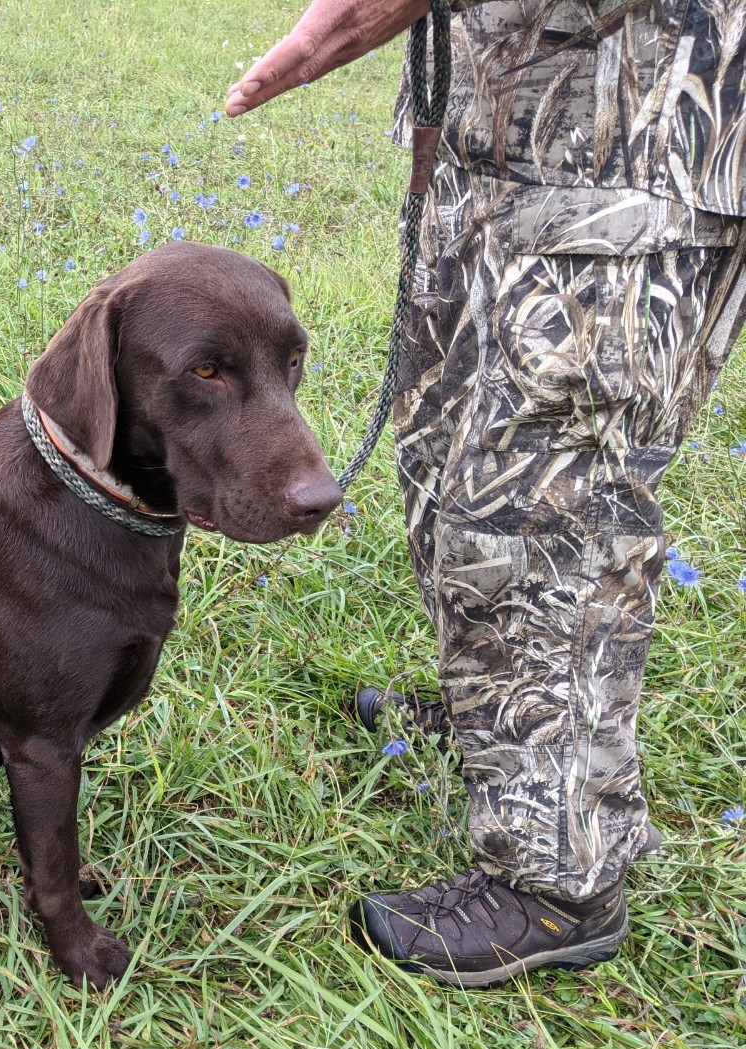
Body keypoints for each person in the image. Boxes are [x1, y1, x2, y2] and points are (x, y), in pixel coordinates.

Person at [225, 0, 746, 986]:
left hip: (624, 137)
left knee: (540, 501)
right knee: (460, 463)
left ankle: (557, 879)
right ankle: (502, 721)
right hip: (535, 123)